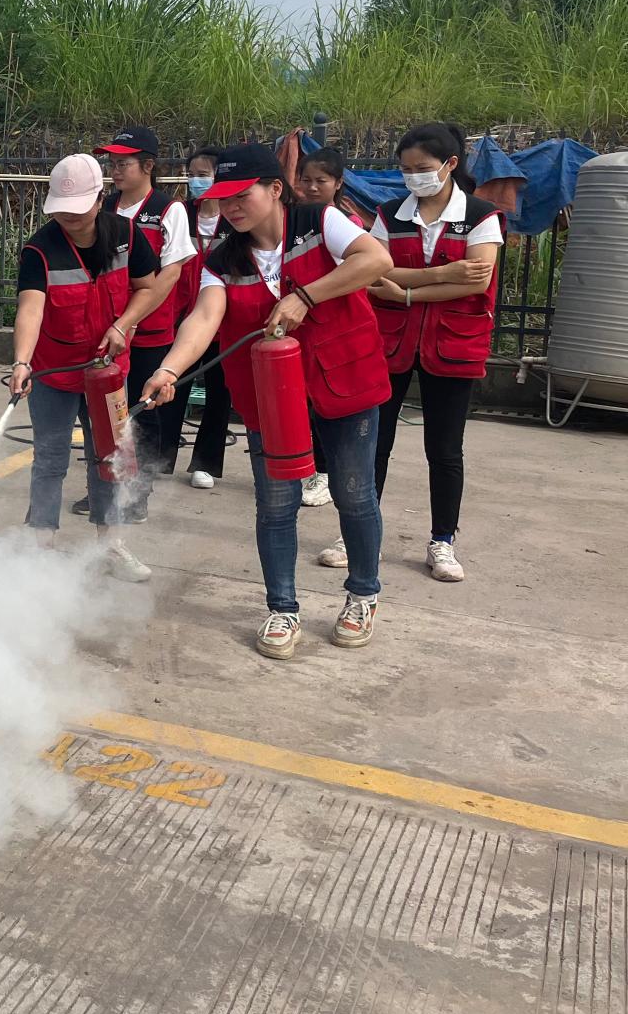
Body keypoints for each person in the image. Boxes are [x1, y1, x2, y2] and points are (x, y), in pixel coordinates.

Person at [141, 143, 394, 661]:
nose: (231, 207)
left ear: (275, 189)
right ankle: (282, 606)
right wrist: (169, 369)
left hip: (344, 379)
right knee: (276, 504)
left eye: (242, 195)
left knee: (353, 494)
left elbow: (375, 259)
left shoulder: (318, 222)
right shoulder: (222, 259)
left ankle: (362, 595)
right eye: (223, 197)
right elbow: (204, 318)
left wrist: (305, 295)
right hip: (271, 398)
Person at [8, 153, 167, 582]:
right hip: (54, 372)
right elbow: (30, 309)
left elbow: (147, 287)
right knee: (50, 458)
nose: (70, 219)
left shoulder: (126, 236)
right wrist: (22, 361)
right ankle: (40, 548)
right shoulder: (40, 250)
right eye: (61, 211)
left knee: (111, 456)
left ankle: (110, 545)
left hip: (108, 373)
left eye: (78, 210)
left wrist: (122, 324)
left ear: (100, 199)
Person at [362, 122, 504, 583]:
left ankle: (443, 540)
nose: (413, 177)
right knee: (374, 443)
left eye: (421, 168)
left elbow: (477, 280)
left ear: (450, 165)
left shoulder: (481, 216)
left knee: (444, 449)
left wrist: (405, 290)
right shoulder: (389, 215)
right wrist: (445, 273)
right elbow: (371, 274)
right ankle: (360, 534)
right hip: (390, 343)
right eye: (405, 170)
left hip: (454, 343)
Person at [94, 127, 196, 496]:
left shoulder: (169, 210)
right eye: (112, 164)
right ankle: (104, 487)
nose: (115, 171)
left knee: (145, 408)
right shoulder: (104, 207)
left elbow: (170, 274)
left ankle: (139, 491)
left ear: (148, 166)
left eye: (123, 164)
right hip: (107, 326)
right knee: (105, 412)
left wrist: (131, 319)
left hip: (150, 330)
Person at [289, 145, 370, 507]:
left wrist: (308, 296)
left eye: (320, 181)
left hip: (335, 329)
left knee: (330, 408)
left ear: (338, 183)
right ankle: (310, 467)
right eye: (305, 180)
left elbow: (362, 269)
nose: (310, 187)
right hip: (301, 330)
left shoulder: (345, 223)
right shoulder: (293, 220)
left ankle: (325, 472)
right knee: (303, 404)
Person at [173, 146, 233, 491]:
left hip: (222, 322)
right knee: (172, 386)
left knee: (219, 394)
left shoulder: (235, 218)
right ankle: (160, 454)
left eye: (203, 175)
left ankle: (205, 463)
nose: (196, 181)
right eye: (192, 174)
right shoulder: (180, 212)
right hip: (181, 317)